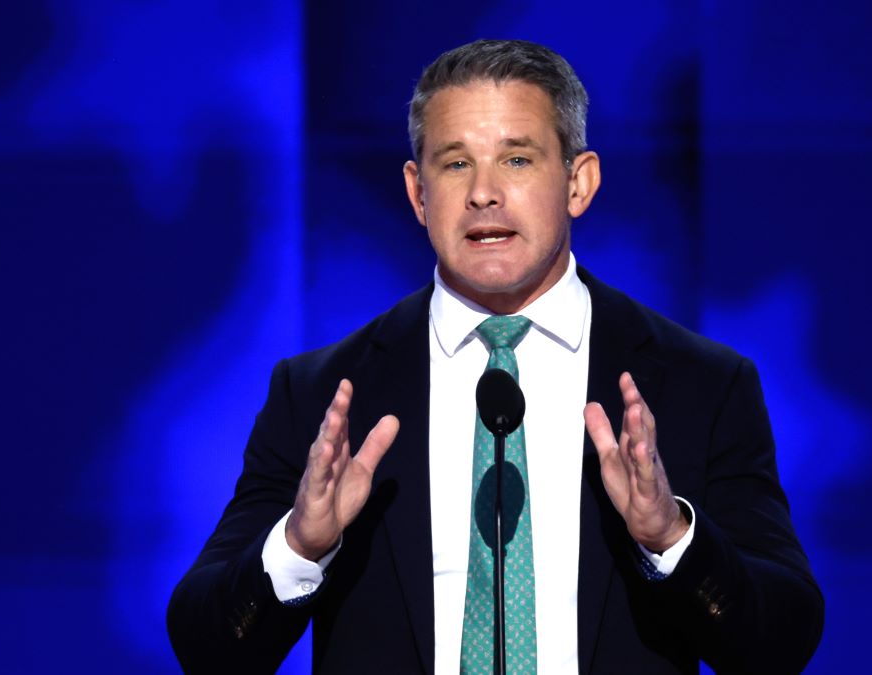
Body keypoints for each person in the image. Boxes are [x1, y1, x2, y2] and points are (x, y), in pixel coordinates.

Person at [168, 39, 823, 674]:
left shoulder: (701, 385)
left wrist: (672, 537)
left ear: (579, 182)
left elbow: (780, 641)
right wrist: (299, 546)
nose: (483, 193)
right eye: (455, 163)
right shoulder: (322, 396)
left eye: (516, 160)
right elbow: (207, 647)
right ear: (418, 192)